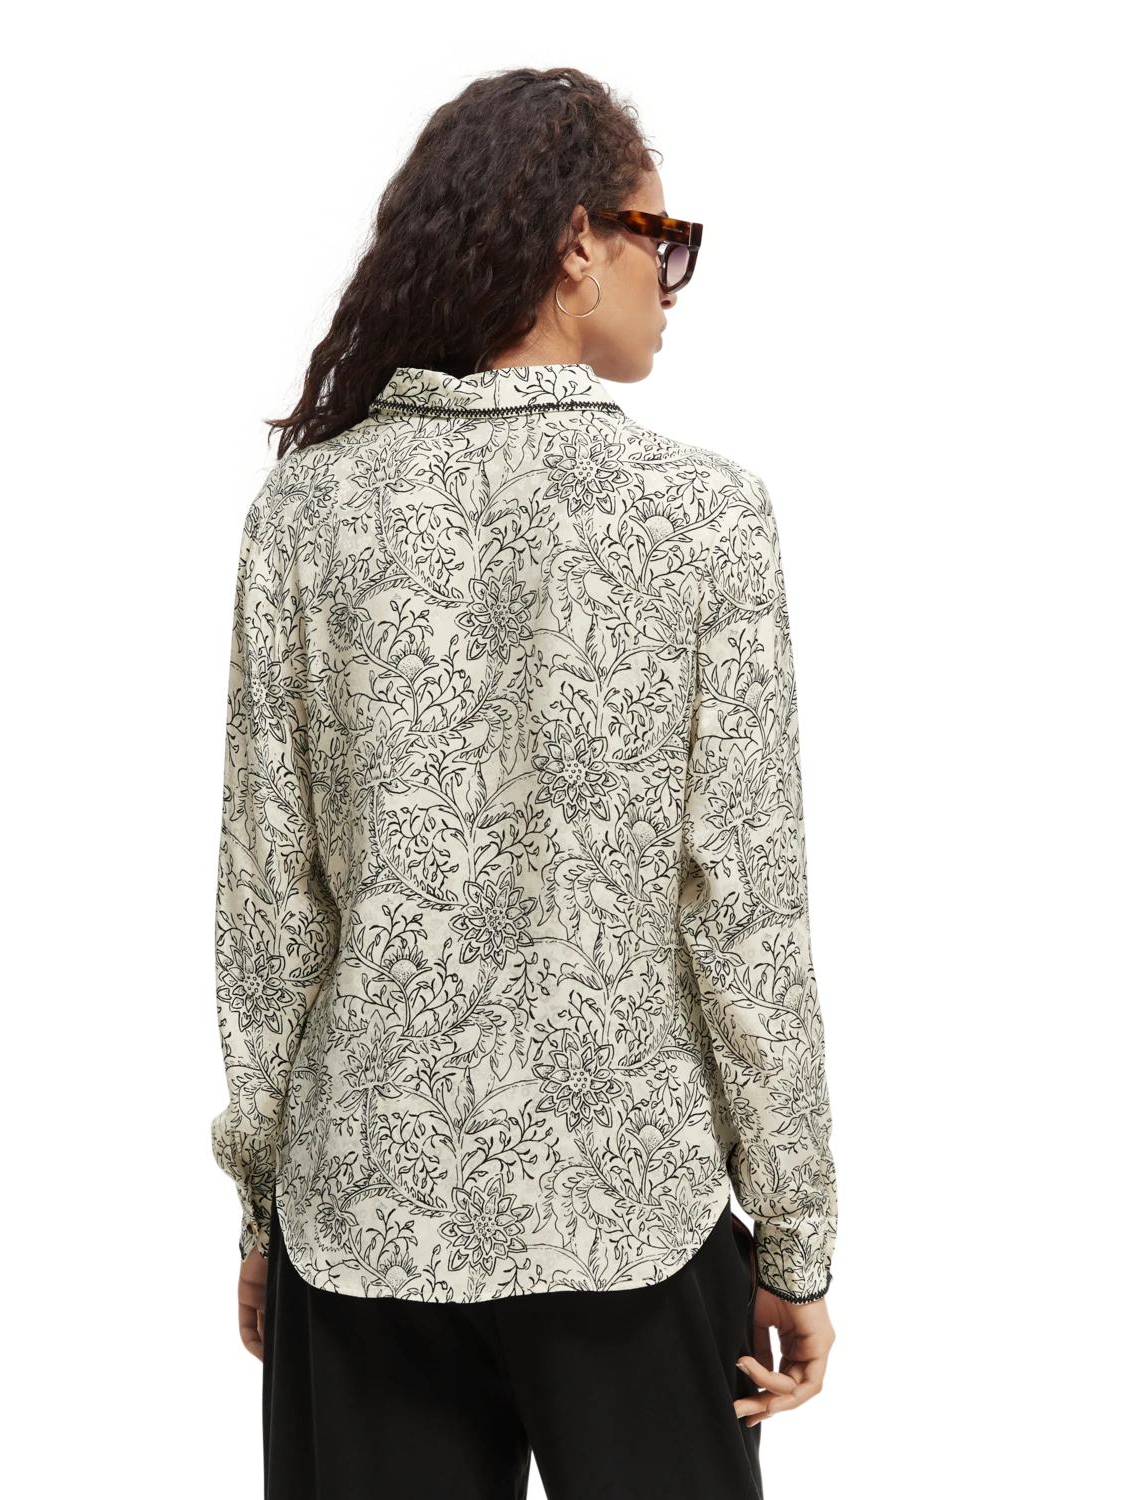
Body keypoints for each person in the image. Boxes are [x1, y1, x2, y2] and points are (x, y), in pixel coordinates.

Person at [214, 63, 837, 1500]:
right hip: (631, 1208)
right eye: (662, 240)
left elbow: (268, 912)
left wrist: (264, 1211)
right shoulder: (704, 517)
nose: (676, 281)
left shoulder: (307, 515)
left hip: (365, 1213)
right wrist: (796, 1237)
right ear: (574, 244)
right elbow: (745, 911)